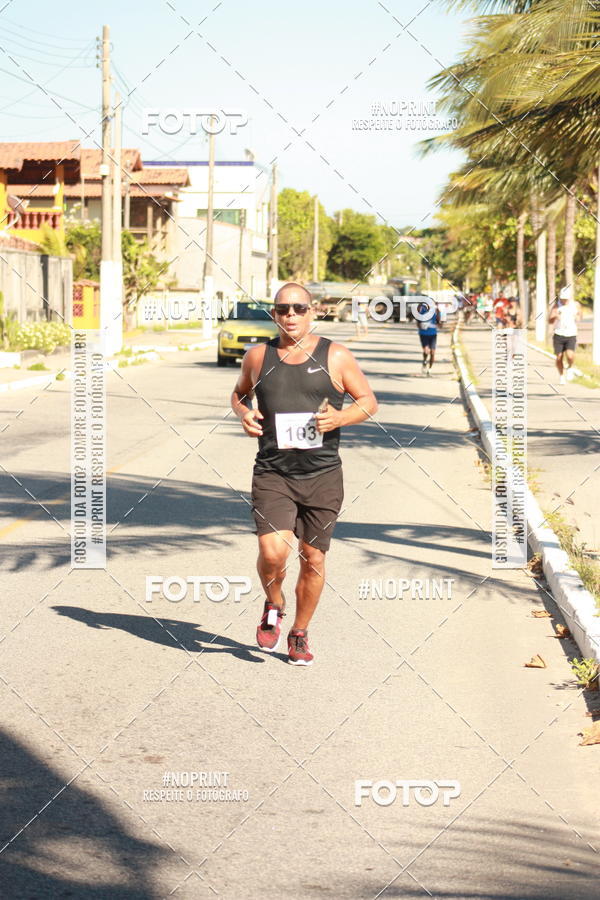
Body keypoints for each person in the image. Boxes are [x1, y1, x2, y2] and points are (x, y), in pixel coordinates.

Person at [231, 282, 378, 666]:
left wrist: (341, 417)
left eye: (298, 308)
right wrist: (244, 413)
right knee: (271, 551)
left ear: (313, 312)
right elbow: (239, 394)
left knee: (312, 558)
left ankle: (298, 633)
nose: (290, 315)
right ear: (274, 314)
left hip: (323, 474)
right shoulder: (258, 357)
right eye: (282, 309)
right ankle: (273, 603)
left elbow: (368, 401)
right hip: (273, 472)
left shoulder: (337, 355)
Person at [549, 286, 582, 384]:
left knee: (570, 355)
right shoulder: (556, 306)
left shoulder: (575, 305)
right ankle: (561, 375)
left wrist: (578, 316)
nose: (564, 301)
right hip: (559, 334)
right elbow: (550, 321)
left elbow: (580, 316)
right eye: (562, 299)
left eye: (566, 299)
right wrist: (554, 316)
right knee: (559, 357)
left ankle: (570, 368)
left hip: (571, 334)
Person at [415, 298, 440, 376]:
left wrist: (439, 317)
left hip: (433, 334)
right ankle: (425, 361)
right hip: (423, 334)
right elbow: (418, 321)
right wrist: (421, 326)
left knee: (432, 352)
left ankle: (430, 369)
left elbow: (439, 322)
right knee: (426, 351)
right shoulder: (422, 310)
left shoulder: (436, 311)